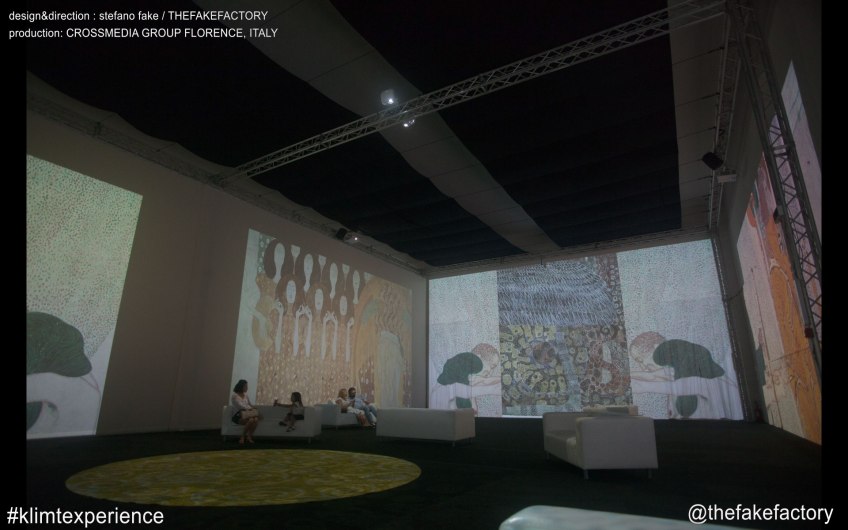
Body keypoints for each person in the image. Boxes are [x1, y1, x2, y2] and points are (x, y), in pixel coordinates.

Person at [231, 379, 259, 444]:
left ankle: (249, 436)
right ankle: (242, 437)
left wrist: (254, 408)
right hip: (238, 415)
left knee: (256, 419)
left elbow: (249, 404)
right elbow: (240, 406)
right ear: (241, 386)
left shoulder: (246, 395)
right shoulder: (235, 396)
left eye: (247, 386)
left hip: (246, 413)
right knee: (251, 420)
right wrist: (251, 409)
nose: (247, 388)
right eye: (245, 386)